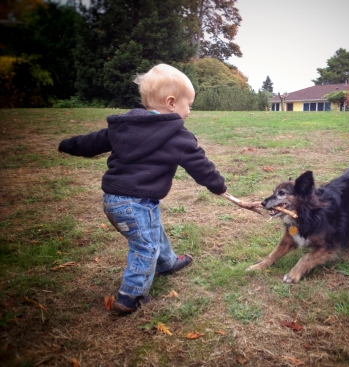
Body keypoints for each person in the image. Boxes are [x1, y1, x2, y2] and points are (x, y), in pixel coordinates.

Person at [58, 64, 227, 314]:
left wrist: (68, 145)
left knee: (152, 228)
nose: (189, 111)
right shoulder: (178, 136)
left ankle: (167, 263)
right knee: (145, 247)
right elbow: (201, 166)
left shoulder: (126, 125)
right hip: (135, 203)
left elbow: (93, 141)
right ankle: (130, 297)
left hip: (114, 200)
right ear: (171, 103)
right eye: (188, 104)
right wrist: (219, 186)